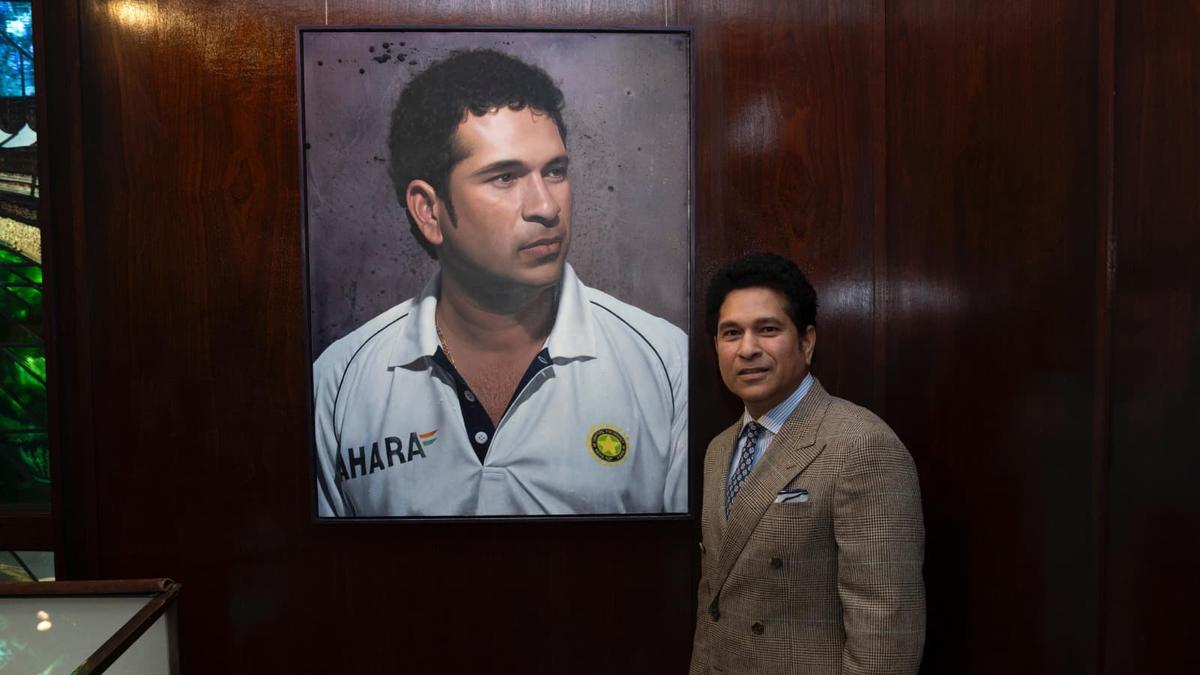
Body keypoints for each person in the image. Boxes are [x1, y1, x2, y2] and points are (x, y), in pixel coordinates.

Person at [312, 49, 687, 517]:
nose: (547, 207)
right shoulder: (338, 383)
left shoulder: (666, 364)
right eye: (505, 177)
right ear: (429, 211)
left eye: (555, 171)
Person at [691, 253, 924, 674]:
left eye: (768, 329)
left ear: (807, 341)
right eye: (731, 333)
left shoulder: (861, 445)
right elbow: (714, 603)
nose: (748, 349)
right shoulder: (719, 449)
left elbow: (886, 630)